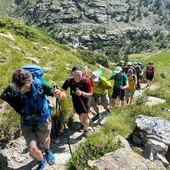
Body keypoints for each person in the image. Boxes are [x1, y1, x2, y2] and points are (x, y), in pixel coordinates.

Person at [0, 68, 57, 170]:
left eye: (25, 88)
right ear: (14, 84)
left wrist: (59, 93)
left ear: (30, 81)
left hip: (43, 118)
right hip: (26, 121)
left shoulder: (40, 84)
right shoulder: (10, 88)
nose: (22, 91)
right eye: (18, 88)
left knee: (45, 138)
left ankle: (47, 150)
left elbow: (60, 94)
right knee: (32, 148)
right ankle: (41, 160)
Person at [55, 66, 93, 136]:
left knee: (84, 116)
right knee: (80, 115)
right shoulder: (69, 81)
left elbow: (90, 94)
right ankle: (83, 124)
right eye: (75, 75)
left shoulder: (86, 81)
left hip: (85, 100)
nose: (77, 77)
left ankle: (85, 130)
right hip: (75, 100)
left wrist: (82, 93)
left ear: (82, 74)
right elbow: (62, 91)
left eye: (79, 75)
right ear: (72, 74)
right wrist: (59, 93)